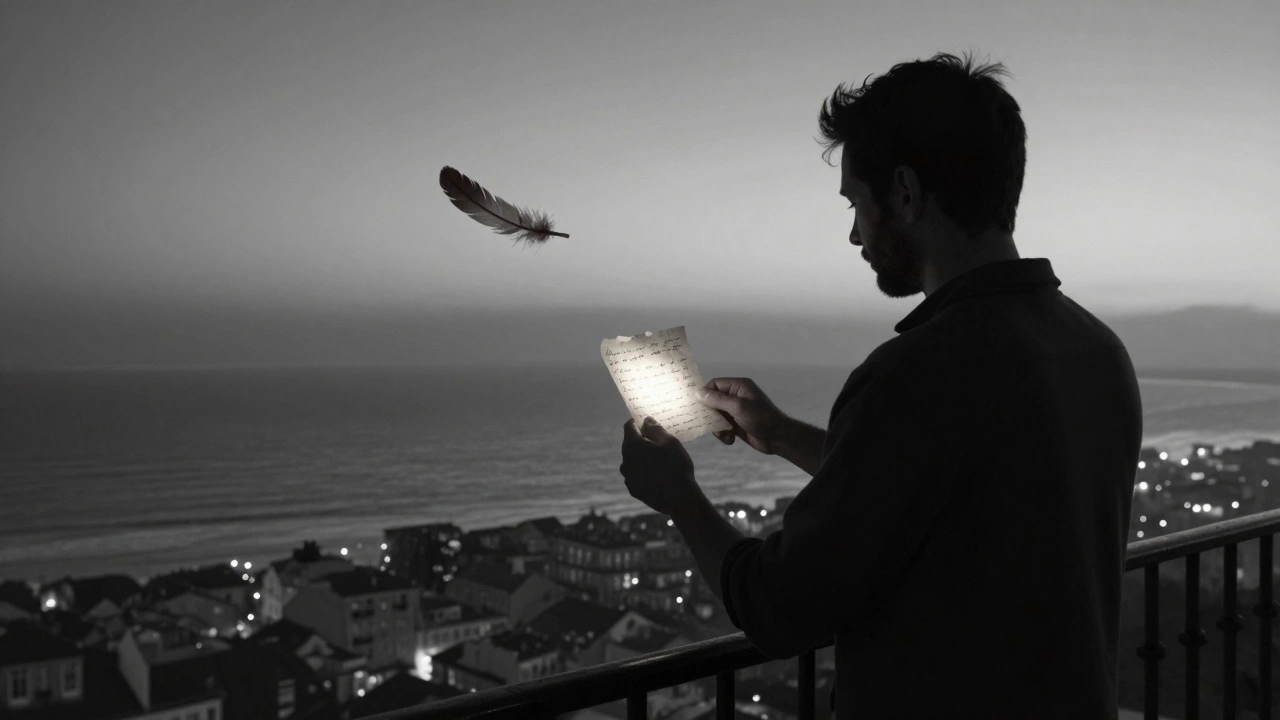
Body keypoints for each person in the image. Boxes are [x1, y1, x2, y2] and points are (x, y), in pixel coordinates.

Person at [619, 50, 1143, 719]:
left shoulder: (919, 373)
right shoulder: (1095, 349)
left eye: (855, 203)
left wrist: (680, 498)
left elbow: (779, 608)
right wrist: (780, 435)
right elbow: (948, 488)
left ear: (903, 192)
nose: (853, 233)